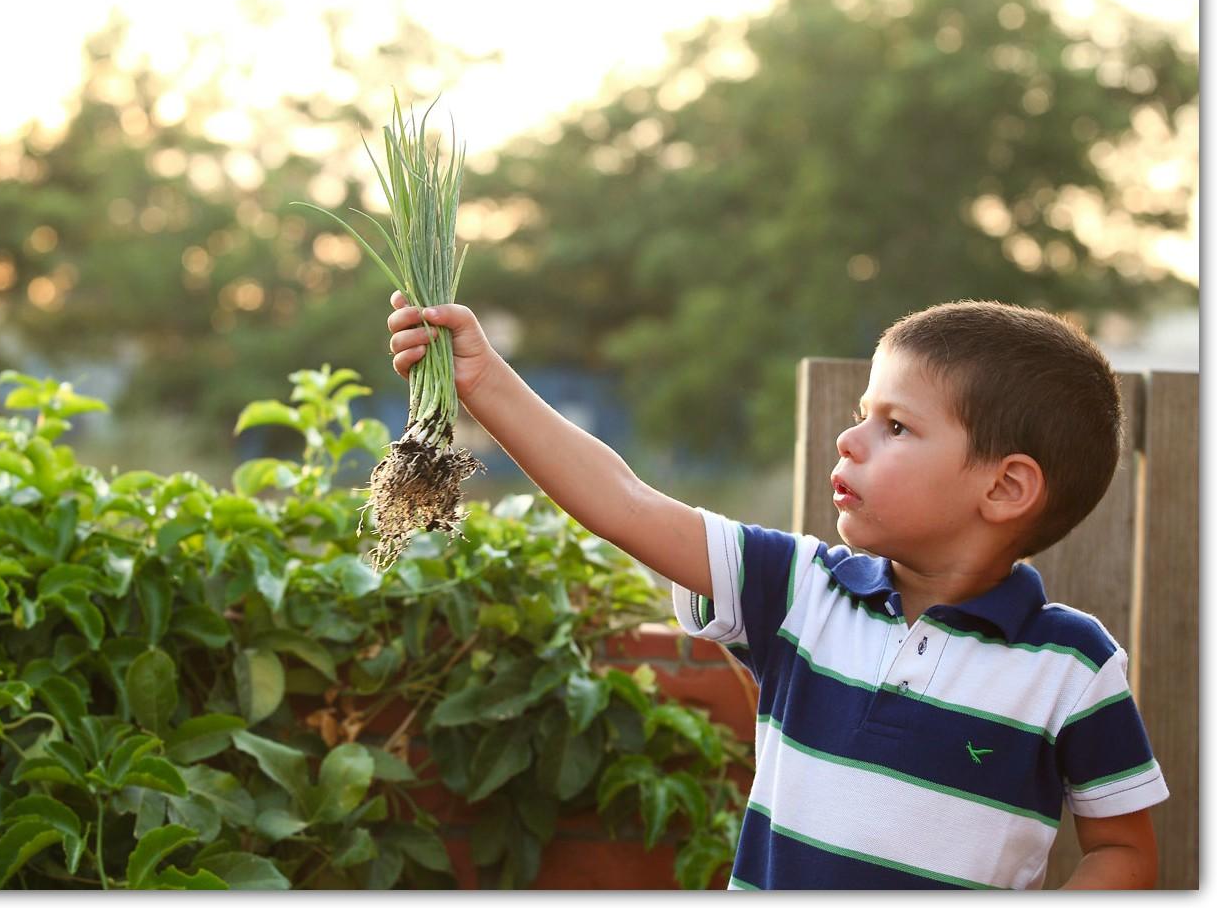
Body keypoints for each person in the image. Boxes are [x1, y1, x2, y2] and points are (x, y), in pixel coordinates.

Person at [385, 291, 1167, 890]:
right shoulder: (800, 592)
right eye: (863, 414)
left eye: (895, 427)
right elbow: (625, 504)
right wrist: (483, 382)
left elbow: (1124, 850)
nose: (849, 438)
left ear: (1005, 489)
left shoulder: (1072, 665)